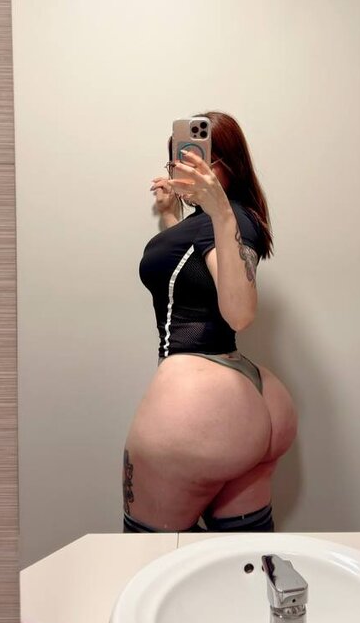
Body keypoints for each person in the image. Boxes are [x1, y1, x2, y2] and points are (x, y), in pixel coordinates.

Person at [122, 111, 298, 533]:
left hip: (198, 404)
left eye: (197, 158)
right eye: (177, 160)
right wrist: (170, 216)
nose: (184, 167)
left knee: (150, 555)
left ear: (229, 166)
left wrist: (218, 207)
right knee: (244, 559)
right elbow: (194, 276)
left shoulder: (229, 218)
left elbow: (239, 312)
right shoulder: (214, 224)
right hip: (248, 402)